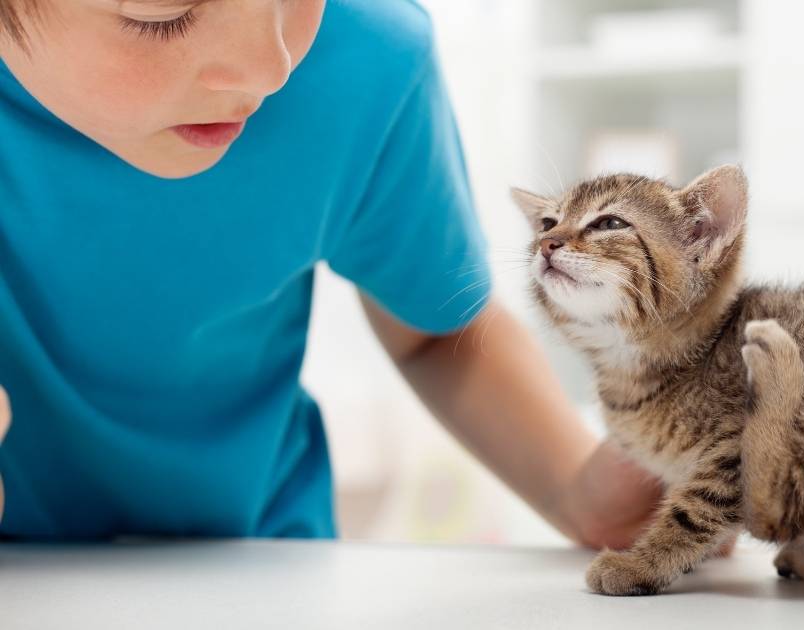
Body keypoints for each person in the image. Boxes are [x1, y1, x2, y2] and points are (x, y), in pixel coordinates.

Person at [0, 0, 661, 546]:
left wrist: (581, 493)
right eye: (164, 13)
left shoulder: (367, 59)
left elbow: (431, 331)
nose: (270, 68)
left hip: (261, 567)